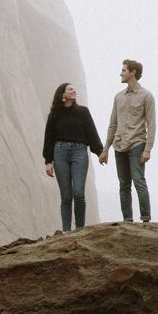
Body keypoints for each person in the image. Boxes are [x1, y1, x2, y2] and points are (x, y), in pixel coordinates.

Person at [41, 82, 102, 232]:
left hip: (79, 152)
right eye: (70, 89)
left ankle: (80, 229)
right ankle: (67, 231)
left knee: (79, 193)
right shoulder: (54, 115)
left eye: (74, 89)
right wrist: (48, 161)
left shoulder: (83, 112)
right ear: (62, 94)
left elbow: (91, 133)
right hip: (60, 152)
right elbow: (49, 138)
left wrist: (100, 152)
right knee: (66, 196)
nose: (74, 91)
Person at [105, 58, 156, 223]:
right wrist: (105, 149)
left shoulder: (146, 96)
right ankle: (127, 220)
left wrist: (147, 149)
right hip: (119, 145)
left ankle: (146, 219)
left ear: (133, 72)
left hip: (137, 144)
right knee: (124, 184)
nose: (120, 73)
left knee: (138, 180)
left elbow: (152, 125)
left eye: (124, 70)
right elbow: (112, 124)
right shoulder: (118, 97)